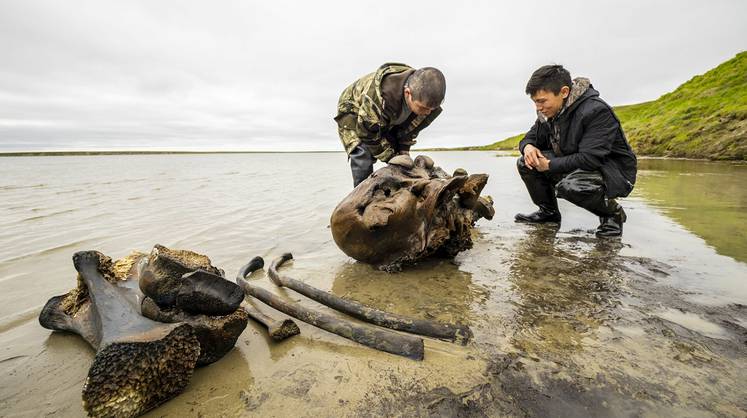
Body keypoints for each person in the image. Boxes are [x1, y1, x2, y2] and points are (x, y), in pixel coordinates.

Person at [515, 64, 637, 237]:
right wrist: (527, 147)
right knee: (525, 162)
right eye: (535, 102)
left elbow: (590, 159)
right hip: (577, 163)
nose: (538, 107)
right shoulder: (548, 113)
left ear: (564, 92)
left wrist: (549, 165)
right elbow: (530, 138)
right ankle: (549, 213)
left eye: (542, 101)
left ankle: (612, 215)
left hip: (613, 172)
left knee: (573, 186)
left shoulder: (596, 110)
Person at [334, 63, 446, 187]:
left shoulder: (425, 102)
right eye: (424, 108)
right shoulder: (379, 97)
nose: (427, 112)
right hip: (353, 112)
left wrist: (404, 152)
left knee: (401, 157)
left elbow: (409, 130)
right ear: (408, 93)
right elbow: (367, 134)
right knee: (363, 154)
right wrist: (391, 157)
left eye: (431, 109)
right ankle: (362, 197)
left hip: (386, 116)